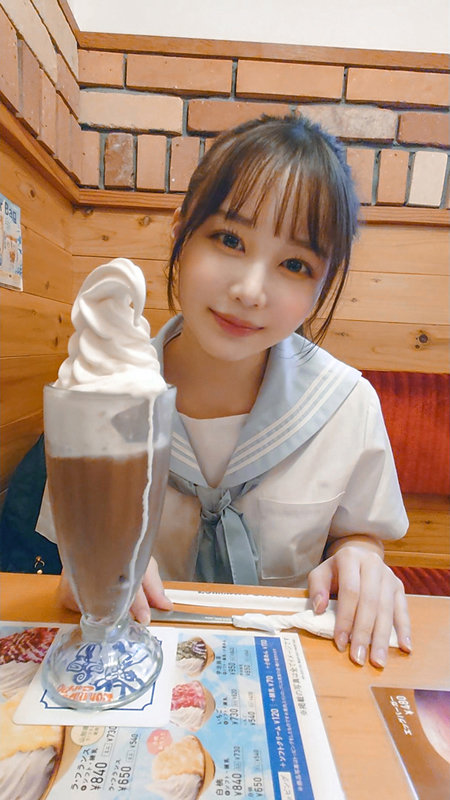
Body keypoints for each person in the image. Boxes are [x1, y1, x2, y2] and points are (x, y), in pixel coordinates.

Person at [44, 114, 411, 667]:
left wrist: (361, 557)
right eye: (229, 239)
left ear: (322, 287)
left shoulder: (346, 405)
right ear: (180, 233)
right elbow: (67, 552)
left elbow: (357, 534)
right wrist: (84, 575)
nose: (250, 290)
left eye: (294, 264)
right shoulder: (96, 395)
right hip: (130, 668)